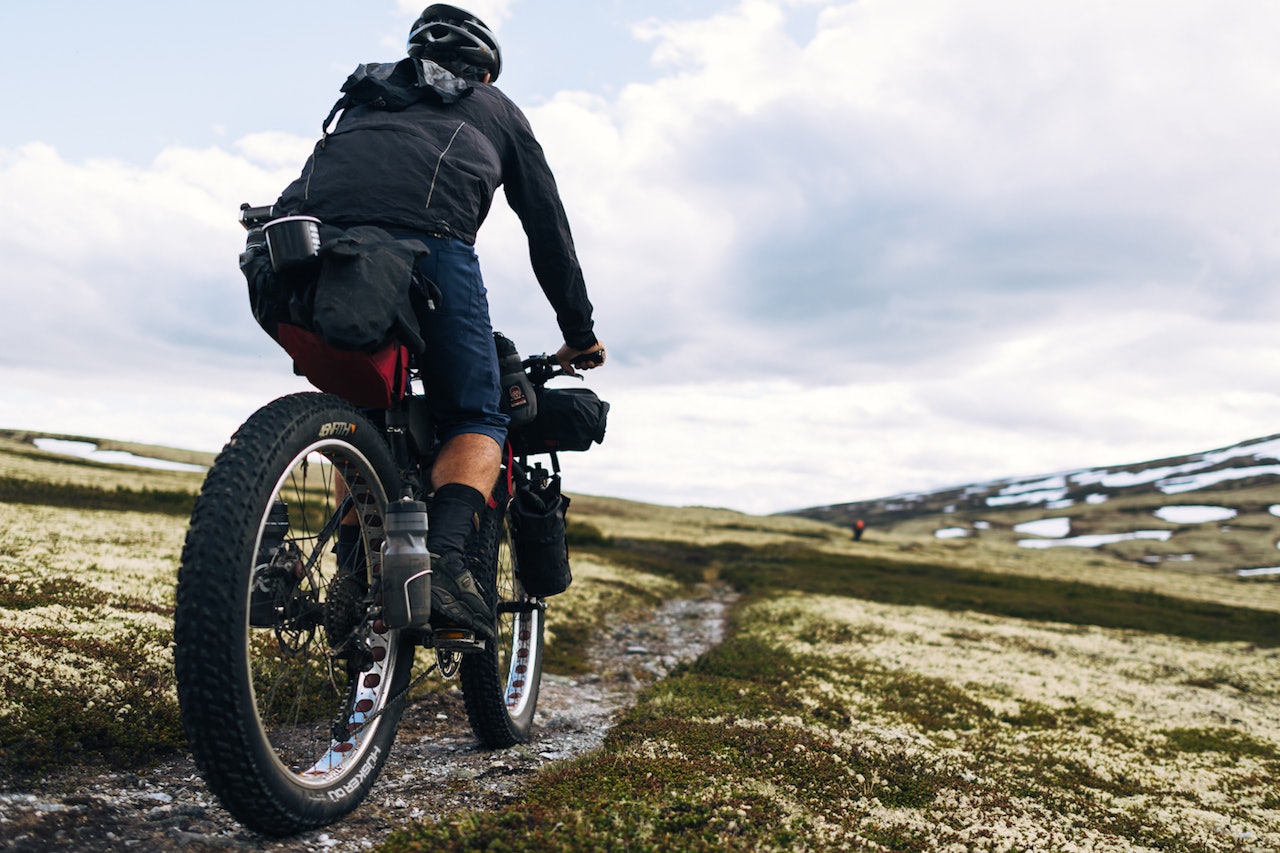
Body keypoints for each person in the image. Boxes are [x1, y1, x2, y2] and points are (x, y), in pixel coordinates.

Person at [272, 5, 605, 639]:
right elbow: (547, 229)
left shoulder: (371, 91)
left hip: (312, 246)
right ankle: (446, 569)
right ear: (485, 74)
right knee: (477, 413)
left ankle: (350, 575)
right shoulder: (499, 109)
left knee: (363, 413)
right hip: (430, 244)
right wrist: (579, 329)